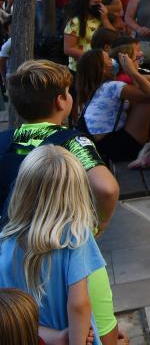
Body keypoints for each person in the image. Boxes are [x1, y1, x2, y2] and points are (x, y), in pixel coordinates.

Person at [5, 60, 124, 345]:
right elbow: (107, 189)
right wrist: (99, 224)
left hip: (16, 259)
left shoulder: (5, 142)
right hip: (69, 258)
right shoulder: (72, 142)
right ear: (61, 100)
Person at [0, 146, 104, 345]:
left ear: (22, 189)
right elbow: (79, 304)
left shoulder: (4, 243)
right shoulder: (75, 235)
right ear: (76, 192)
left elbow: (8, 313)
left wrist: (53, 338)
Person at [75, 49, 150, 165]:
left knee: (140, 100)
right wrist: (132, 72)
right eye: (108, 59)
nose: (113, 61)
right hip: (118, 148)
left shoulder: (97, 89)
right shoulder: (112, 87)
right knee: (148, 101)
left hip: (105, 146)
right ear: (103, 69)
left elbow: (143, 92)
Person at [63, 0, 114, 72]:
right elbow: (68, 49)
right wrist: (93, 57)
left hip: (100, 68)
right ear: (85, 2)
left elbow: (113, 36)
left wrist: (105, 19)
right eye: (96, 3)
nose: (100, 6)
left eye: (101, 2)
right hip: (81, 69)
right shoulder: (75, 22)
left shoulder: (100, 18)